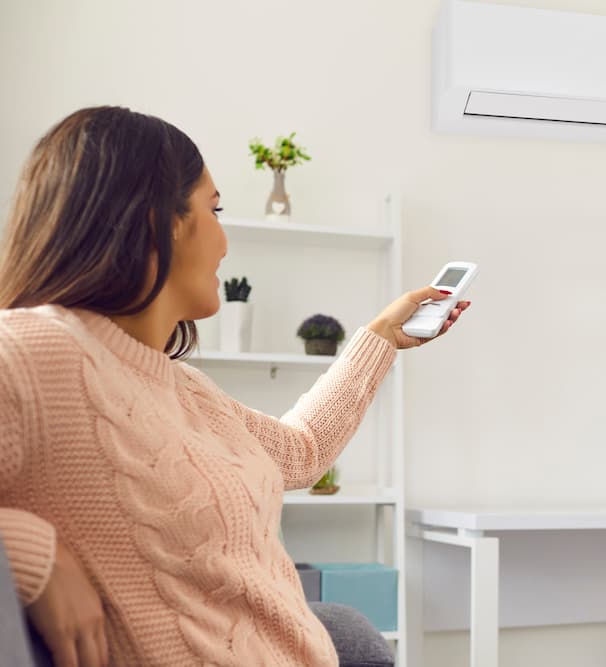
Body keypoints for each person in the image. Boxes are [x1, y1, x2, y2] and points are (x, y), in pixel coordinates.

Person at [0, 106, 470, 667]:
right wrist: (30, 554)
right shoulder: (32, 351)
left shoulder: (183, 387)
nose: (224, 242)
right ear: (157, 220)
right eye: (214, 209)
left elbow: (302, 451)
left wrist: (382, 337)